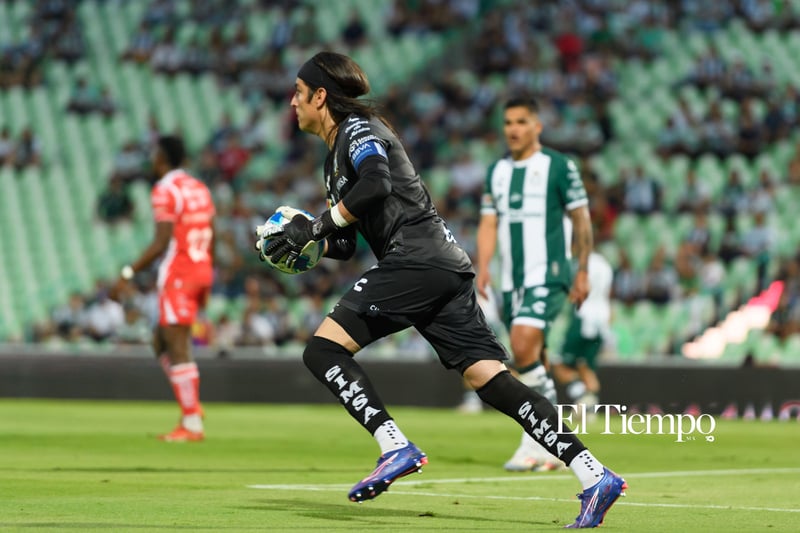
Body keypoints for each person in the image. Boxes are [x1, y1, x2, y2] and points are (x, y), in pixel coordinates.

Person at [255, 51, 626, 528]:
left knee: (322, 351)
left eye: (299, 94)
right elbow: (347, 243)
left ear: (321, 96)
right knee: (490, 380)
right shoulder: (333, 161)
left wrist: (321, 222)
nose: (292, 102)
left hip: (416, 258)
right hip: (443, 268)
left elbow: (376, 185)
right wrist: (307, 242)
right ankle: (595, 475)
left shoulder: (360, 131)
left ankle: (394, 445)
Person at [475, 96, 594, 472]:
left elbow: (581, 218)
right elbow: (489, 222)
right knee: (533, 359)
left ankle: (535, 441)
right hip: (511, 280)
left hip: (549, 272)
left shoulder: (559, 166)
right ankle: (553, 443)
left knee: (523, 346)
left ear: (537, 126)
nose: (513, 129)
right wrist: (483, 266)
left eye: (522, 122)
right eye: (508, 122)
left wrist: (583, 269)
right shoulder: (496, 170)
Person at [114, 135, 216, 442]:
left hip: (180, 273)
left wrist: (127, 273)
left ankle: (191, 422)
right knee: (161, 341)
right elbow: (211, 231)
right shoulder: (199, 188)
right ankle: (192, 406)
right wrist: (207, 278)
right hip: (201, 269)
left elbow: (161, 242)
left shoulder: (165, 190)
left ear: (161, 158)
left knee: (176, 345)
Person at [551, 251, 615, 420]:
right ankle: (589, 405)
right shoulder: (605, 264)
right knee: (586, 367)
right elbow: (608, 294)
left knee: (559, 363)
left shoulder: (578, 264)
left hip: (583, 316)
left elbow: (569, 289)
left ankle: (582, 397)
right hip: (601, 319)